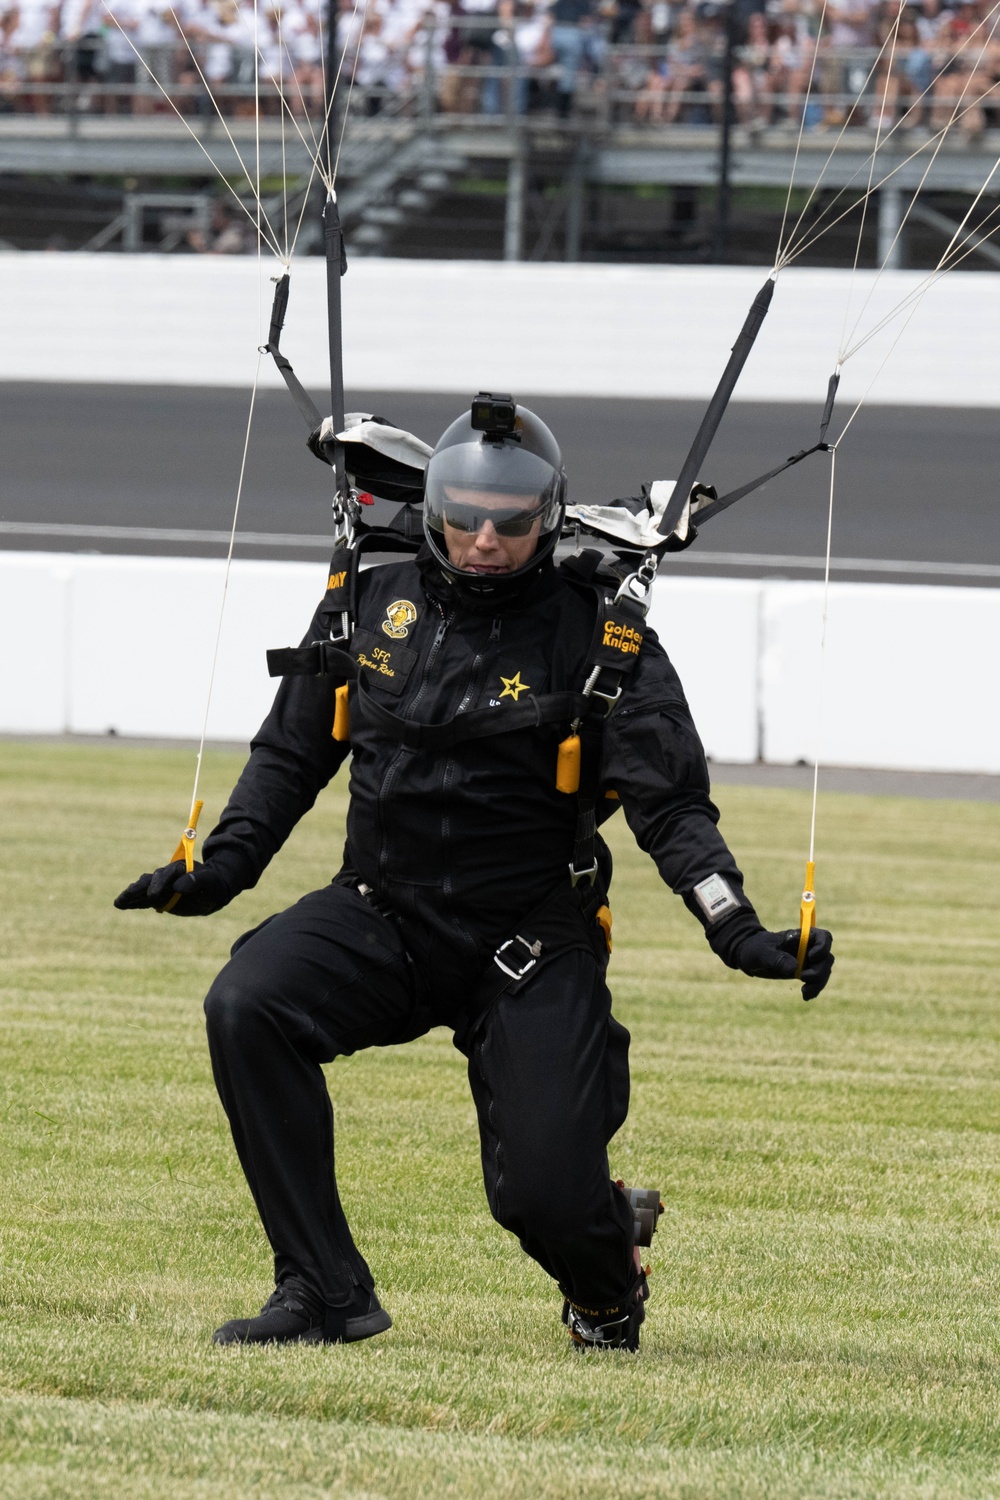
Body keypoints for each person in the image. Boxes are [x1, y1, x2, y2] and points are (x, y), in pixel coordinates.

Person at [115, 397, 834, 1353]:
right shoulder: (372, 603)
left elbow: (671, 808)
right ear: (429, 511)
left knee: (539, 1195)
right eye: (463, 515)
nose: (485, 538)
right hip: (384, 914)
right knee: (248, 1004)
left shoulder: (601, 637)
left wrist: (737, 930)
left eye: (511, 520)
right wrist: (219, 871)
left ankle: (607, 1276)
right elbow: (291, 757)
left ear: (550, 518)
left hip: (531, 939)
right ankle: (325, 1291)